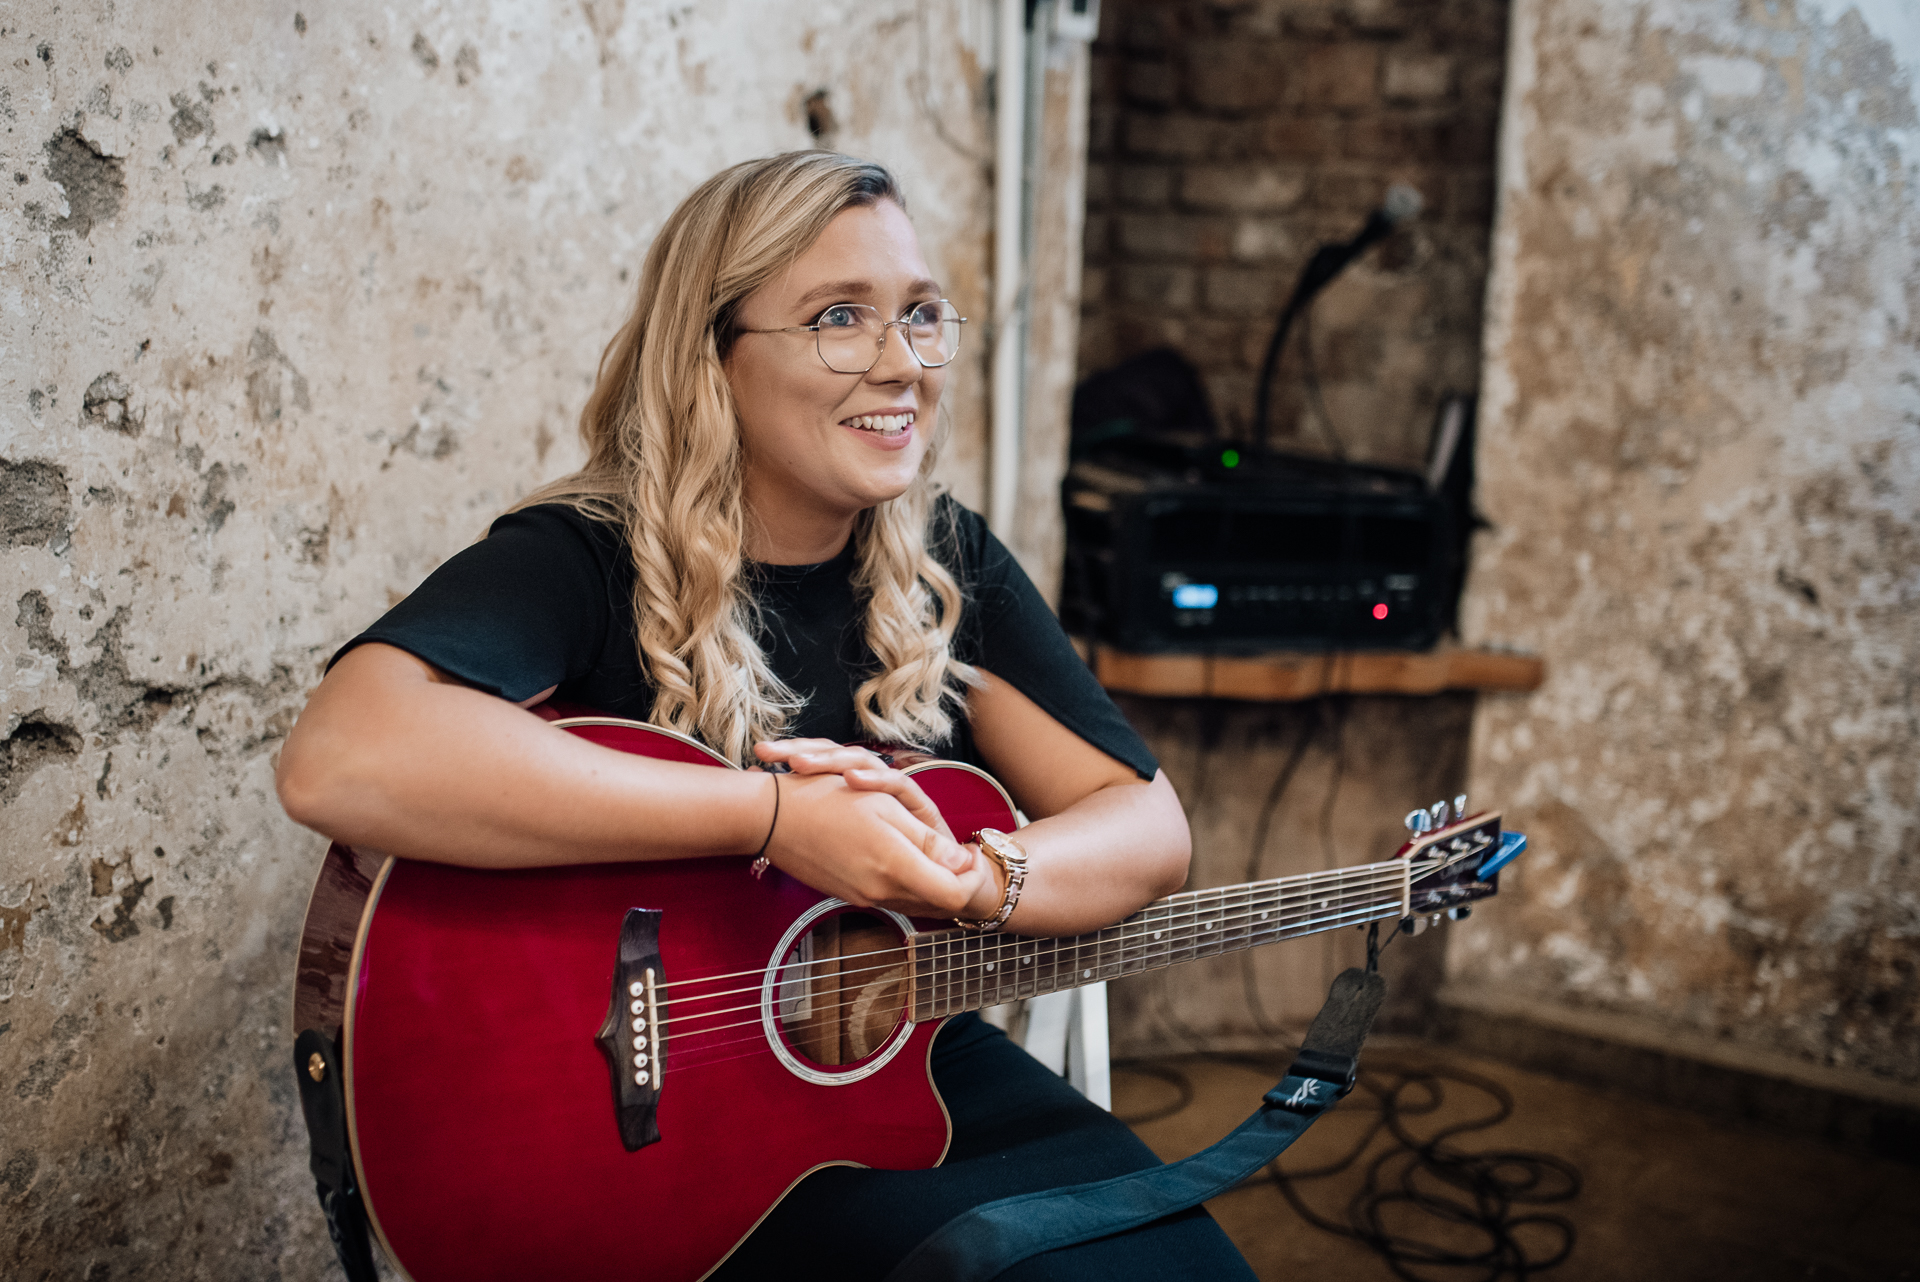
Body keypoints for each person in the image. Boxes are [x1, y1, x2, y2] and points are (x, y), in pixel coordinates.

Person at [277, 150, 1257, 1279]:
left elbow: (1144, 824)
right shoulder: (588, 557)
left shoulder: (946, 563)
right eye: (841, 317)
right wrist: (770, 818)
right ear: (713, 354)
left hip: (891, 1078)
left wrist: (975, 880)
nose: (902, 366)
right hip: (636, 1151)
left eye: (921, 316)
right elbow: (341, 756)